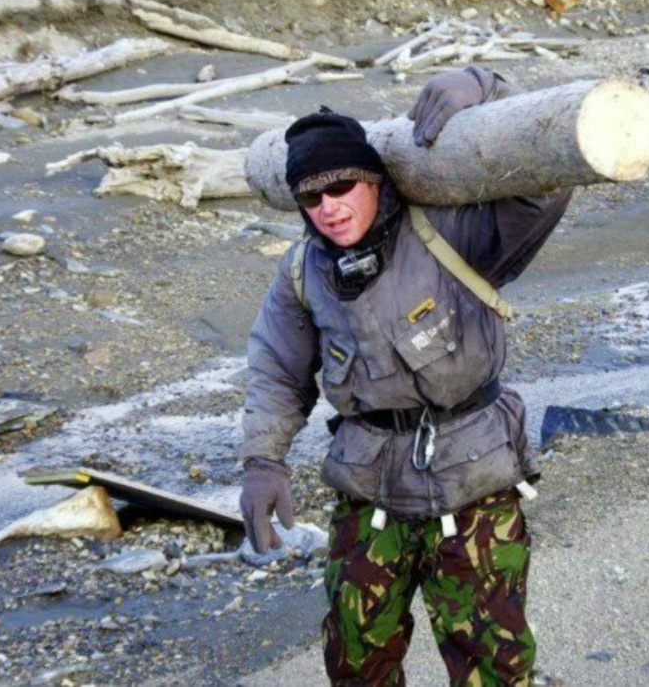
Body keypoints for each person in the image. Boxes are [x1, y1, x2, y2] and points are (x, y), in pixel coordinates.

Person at [239, 66, 572, 687]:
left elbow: (540, 183)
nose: (330, 208)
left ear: (374, 180)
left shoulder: (454, 234)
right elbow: (276, 372)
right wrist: (263, 461)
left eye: (343, 187)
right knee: (356, 662)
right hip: (370, 491)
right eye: (312, 197)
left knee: (494, 668)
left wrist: (485, 88)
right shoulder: (301, 274)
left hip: (473, 484)